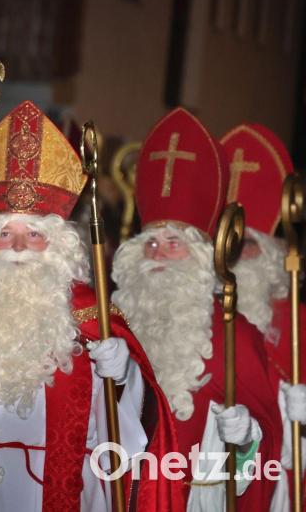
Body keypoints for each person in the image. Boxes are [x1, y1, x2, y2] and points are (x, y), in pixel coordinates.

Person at [0, 100, 180, 511]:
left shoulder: (95, 319)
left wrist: (126, 376)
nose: (19, 248)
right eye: (5, 233)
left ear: (59, 246)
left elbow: (130, 433)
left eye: (35, 235)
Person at [111, 108, 283, 510]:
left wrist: (245, 440)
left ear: (202, 258)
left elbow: (266, 440)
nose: (158, 256)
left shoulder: (234, 334)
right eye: (151, 244)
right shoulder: (115, 325)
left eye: (174, 244)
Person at [219, 122, 306, 508]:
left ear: (274, 253)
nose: (233, 259)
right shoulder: (195, 321)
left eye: (247, 245)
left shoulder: (300, 324)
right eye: (225, 244)